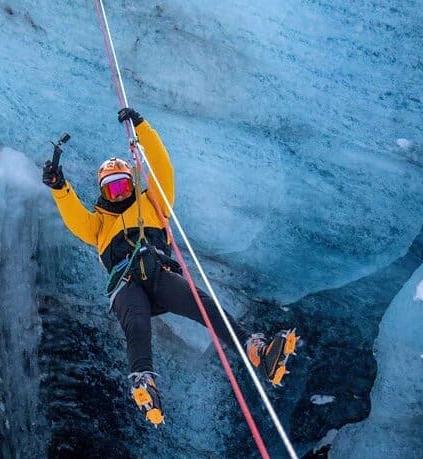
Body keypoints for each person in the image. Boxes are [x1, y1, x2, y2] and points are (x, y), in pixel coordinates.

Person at [42, 107, 295, 426]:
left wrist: (143, 129)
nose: (118, 193)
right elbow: (74, 217)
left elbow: (162, 169)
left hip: (160, 273)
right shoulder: (98, 225)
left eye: (122, 186)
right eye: (111, 189)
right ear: (102, 192)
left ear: (132, 184)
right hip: (126, 283)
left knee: (203, 304)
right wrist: (60, 188)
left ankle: (254, 348)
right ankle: (143, 380)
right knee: (135, 322)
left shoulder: (152, 203)